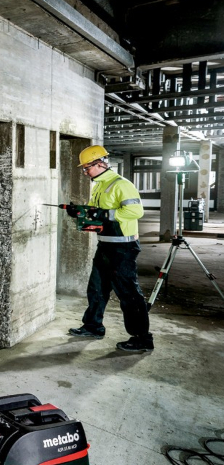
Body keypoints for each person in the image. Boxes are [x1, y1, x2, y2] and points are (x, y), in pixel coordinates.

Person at [67, 145, 154, 352]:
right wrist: (79, 212)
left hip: (123, 248)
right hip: (105, 245)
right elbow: (94, 213)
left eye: (87, 167)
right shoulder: (99, 186)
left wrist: (106, 215)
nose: (85, 172)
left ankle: (142, 338)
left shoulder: (121, 184)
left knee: (128, 293)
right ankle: (93, 326)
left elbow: (136, 211)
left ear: (100, 163)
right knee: (97, 288)